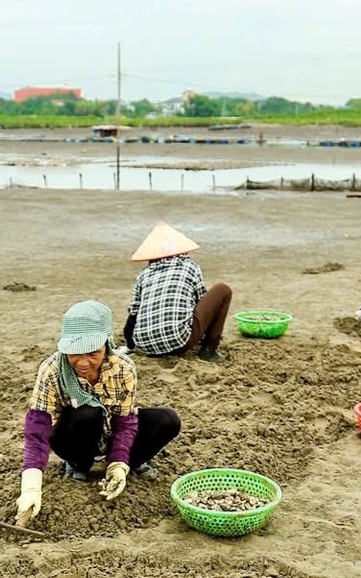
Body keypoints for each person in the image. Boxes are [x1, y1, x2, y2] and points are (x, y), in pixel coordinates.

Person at [14, 300, 182, 529]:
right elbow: (37, 430)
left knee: (167, 420)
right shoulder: (52, 370)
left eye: (93, 353)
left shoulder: (123, 367)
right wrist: (31, 488)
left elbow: (125, 422)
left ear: (107, 344)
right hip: (74, 435)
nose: (83, 363)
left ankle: (127, 466)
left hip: (110, 432)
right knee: (88, 413)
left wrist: (118, 464)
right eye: (74, 353)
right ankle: (78, 465)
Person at [122, 221, 233, 363]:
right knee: (223, 290)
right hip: (181, 342)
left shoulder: (144, 275)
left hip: (146, 346)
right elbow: (201, 302)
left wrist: (130, 345)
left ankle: (153, 341)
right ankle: (209, 350)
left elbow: (133, 317)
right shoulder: (189, 267)